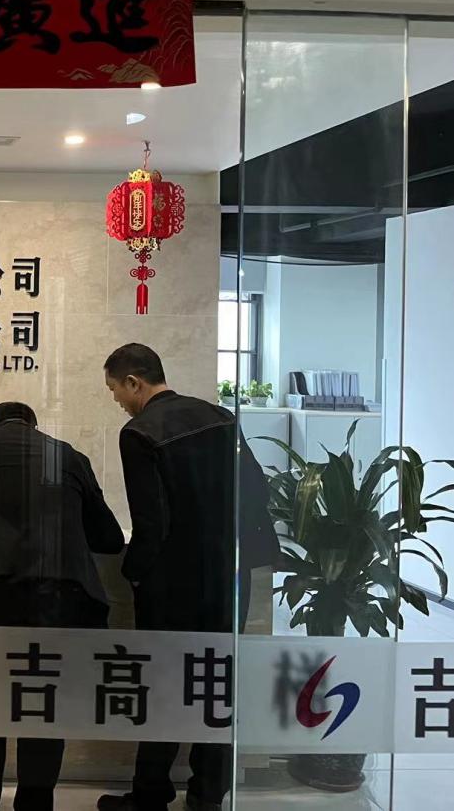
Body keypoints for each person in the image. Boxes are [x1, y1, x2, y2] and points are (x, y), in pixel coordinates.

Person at [97, 344, 280, 811]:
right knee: (215, 683)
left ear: (134, 382)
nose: (116, 400)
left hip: (173, 584)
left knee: (162, 686)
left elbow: (152, 520)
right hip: (228, 577)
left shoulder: (139, 433)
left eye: (115, 389)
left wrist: (135, 573)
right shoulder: (220, 417)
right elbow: (256, 490)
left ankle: (151, 793)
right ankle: (207, 794)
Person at [0, 401, 124, 811]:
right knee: (42, 700)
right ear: (35, 426)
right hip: (60, 598)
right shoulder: (67, 454)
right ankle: (36, 802)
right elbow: (109, 537)